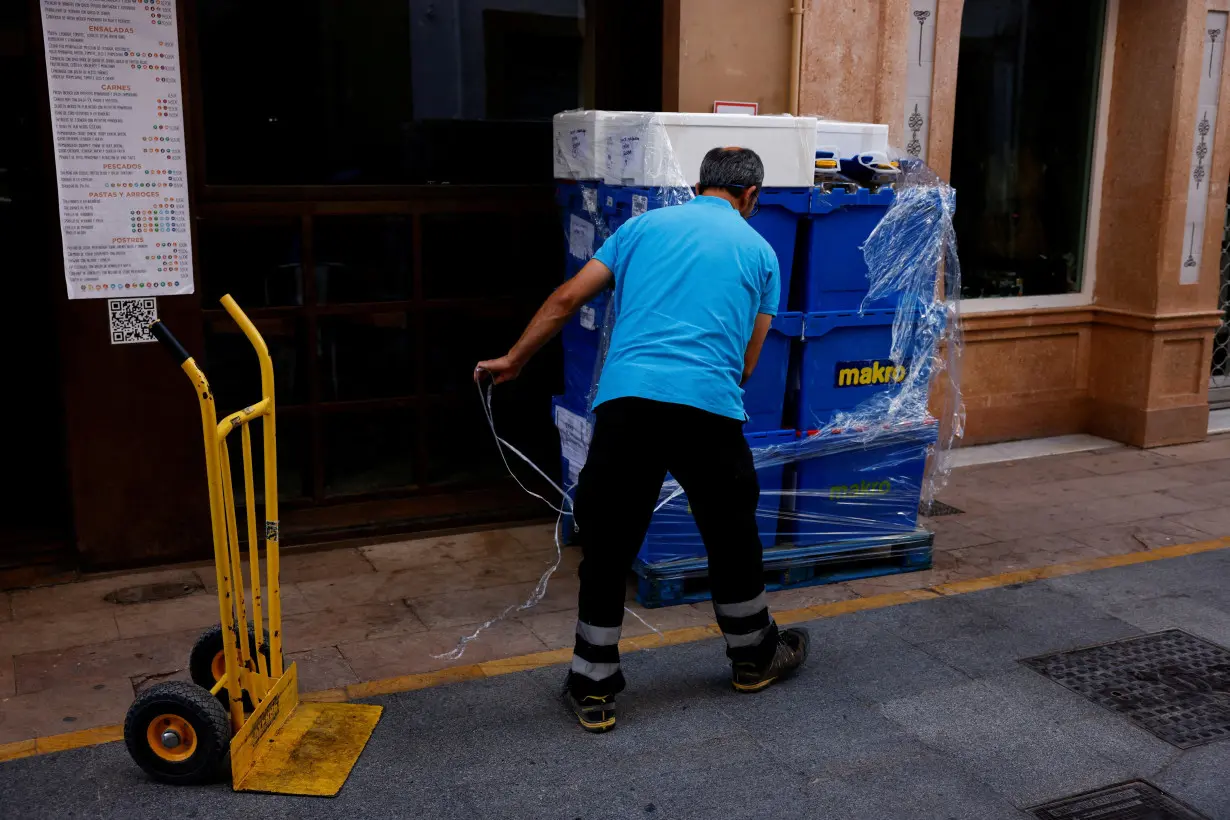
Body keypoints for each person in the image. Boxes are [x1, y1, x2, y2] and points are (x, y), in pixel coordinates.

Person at [475, 147, 809, 733]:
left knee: (607, 544)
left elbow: (565, 299)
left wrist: (514, 359)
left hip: (627, 404)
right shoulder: (760, 252)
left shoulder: (641, 227)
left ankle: (593, 685)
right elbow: (747, 366)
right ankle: (754, 657)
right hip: (708, 406)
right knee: (731, 538)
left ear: (700, 184)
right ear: (751, 197)